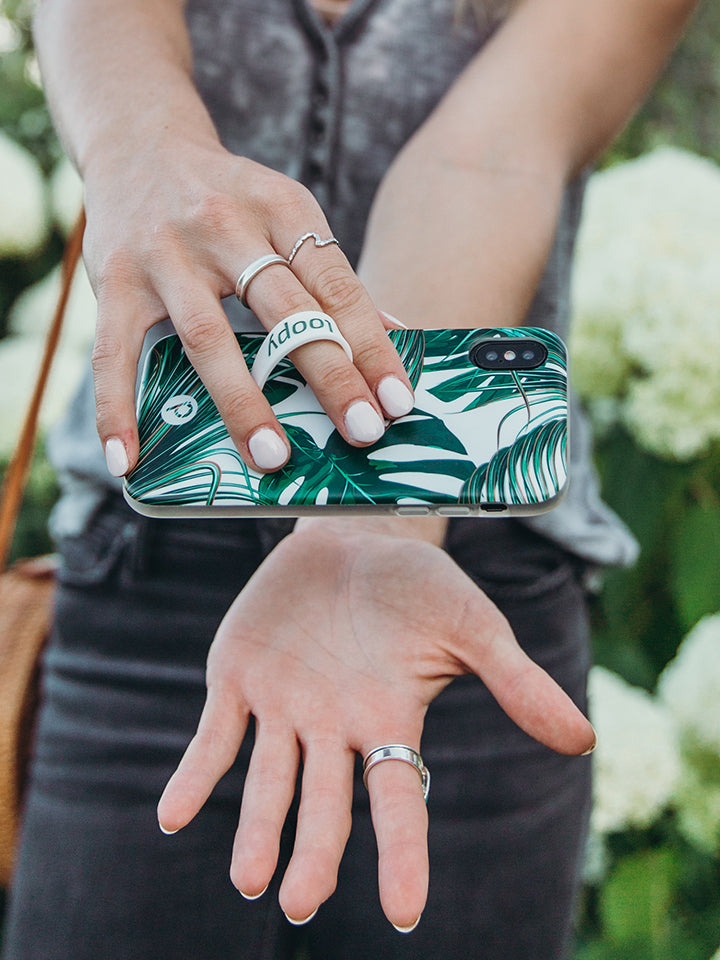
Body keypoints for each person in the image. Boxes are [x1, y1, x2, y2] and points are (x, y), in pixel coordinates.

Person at [1, 0, 697, 958]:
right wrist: (138, 149)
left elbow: (492, 153)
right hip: (151, 566)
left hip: (459, 588)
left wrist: (373, 519)